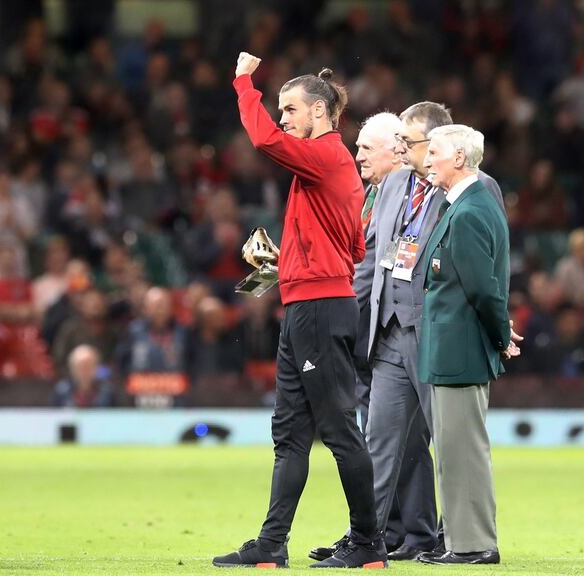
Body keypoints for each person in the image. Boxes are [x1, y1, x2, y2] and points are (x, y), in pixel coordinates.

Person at [311, 101, 508, 563]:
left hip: (438, 332)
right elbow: (373, 257)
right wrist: (348, 316)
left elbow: (491, 261)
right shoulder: (396, 182)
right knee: (379, 439)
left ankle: (458, 537)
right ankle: (368, 537)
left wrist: (499, 322)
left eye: (408, 140)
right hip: (389, 329)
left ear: (440, 141)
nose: (400, 147)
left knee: (451, 440)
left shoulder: (471, 189)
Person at [212, 53, 386, 569]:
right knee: (290, 434)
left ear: (319, 112)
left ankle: (369, 544)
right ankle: (272, 545)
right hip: (308, 304)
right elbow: (352, 248)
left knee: (337, 430)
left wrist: (244, 82)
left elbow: (263, 139)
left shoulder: (327, 156)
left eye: (290, 109)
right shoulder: (326, 169)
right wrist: (284, 267)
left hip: (318, 309)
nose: (283, 118)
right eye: (280, 108)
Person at [415, 124, 516, 565]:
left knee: (463, 452)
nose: (427, 158)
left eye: (433, 151)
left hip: (461, 349)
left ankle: (475, 545)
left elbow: (483, 289)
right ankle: (461, 541)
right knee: (453, 453)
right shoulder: (463, 205)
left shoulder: (470, 211)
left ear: (458, 159)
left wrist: (500, 336)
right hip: (451, 348)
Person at [351, 112, 405, 429]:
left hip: (389, 334)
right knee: (375, 436)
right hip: (364, 336)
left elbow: (378, 265)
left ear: (397, 149)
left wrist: (335, 308)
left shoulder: (409, 197)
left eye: (367, 148)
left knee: (393, 440)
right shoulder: (370, 195)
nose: (358, 156)